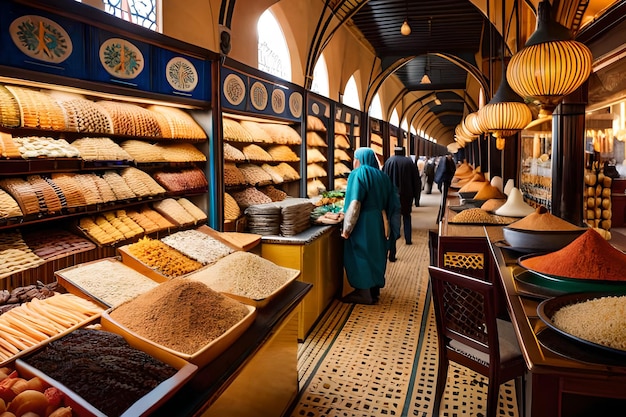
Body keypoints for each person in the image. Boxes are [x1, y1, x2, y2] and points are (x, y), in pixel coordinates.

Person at [341, 147, 400, 305]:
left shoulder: (359, 173)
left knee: (360, 253)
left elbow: (355, 203)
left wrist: (347, 229)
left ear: (359, 159)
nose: (354, 162)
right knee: (376, 253)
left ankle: (363, 293)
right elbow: (392, 202)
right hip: (379, 220)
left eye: (355, 158)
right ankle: (374, 291)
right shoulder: (382, 176)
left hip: (363, 221)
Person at [382, 146, 421, 262]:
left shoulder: (389, 161)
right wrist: (416, 196)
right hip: (406, 195)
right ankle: (408, 238)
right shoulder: (409, 162)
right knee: (407, 216)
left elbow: (383, 178)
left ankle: (394, 243)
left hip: (391, 196)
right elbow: (416, 180)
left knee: (393, 220)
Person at [434, 153, 457, 223]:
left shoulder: (445, 160)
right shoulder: (446, 161)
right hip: (444, 182)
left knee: (443, 201)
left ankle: (440, 218)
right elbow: (448, 170)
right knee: (443, 201)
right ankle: (440, 218)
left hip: (444, 182)